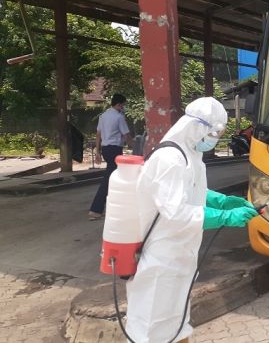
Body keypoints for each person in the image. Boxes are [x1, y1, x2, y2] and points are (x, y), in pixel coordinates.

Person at [125, 97, 258, 343]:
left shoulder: (190, 155)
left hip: (179, 258)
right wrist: (225, 217)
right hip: (159, 261)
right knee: (151, 329)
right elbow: (175, 213)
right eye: (215, 132)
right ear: (198, 127)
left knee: (178, 325)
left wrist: (220, 200)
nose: (216, 138)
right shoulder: (169, 159)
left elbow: (191, 190)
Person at [89, 93, 133, 220]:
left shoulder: (103, 116)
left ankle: (117, 206)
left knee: (117, 177)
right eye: (123, 105)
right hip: (115, 149)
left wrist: (98, 152)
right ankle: (95, 209)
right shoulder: (119, 117)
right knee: (109, 179)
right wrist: (136, 147)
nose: (123, 108)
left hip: (106, 149)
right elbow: (126, 136)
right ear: (119, 104)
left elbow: (98, 134)